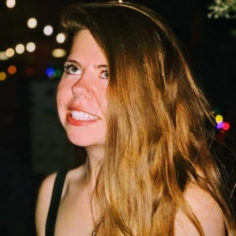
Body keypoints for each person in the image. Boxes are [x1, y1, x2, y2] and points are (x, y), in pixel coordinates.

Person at [35, 1, 236, 236]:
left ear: (147, 94)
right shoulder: (53, 193)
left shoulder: (187, 209)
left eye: (106, 73)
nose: (79, 87)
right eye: (73, 68)